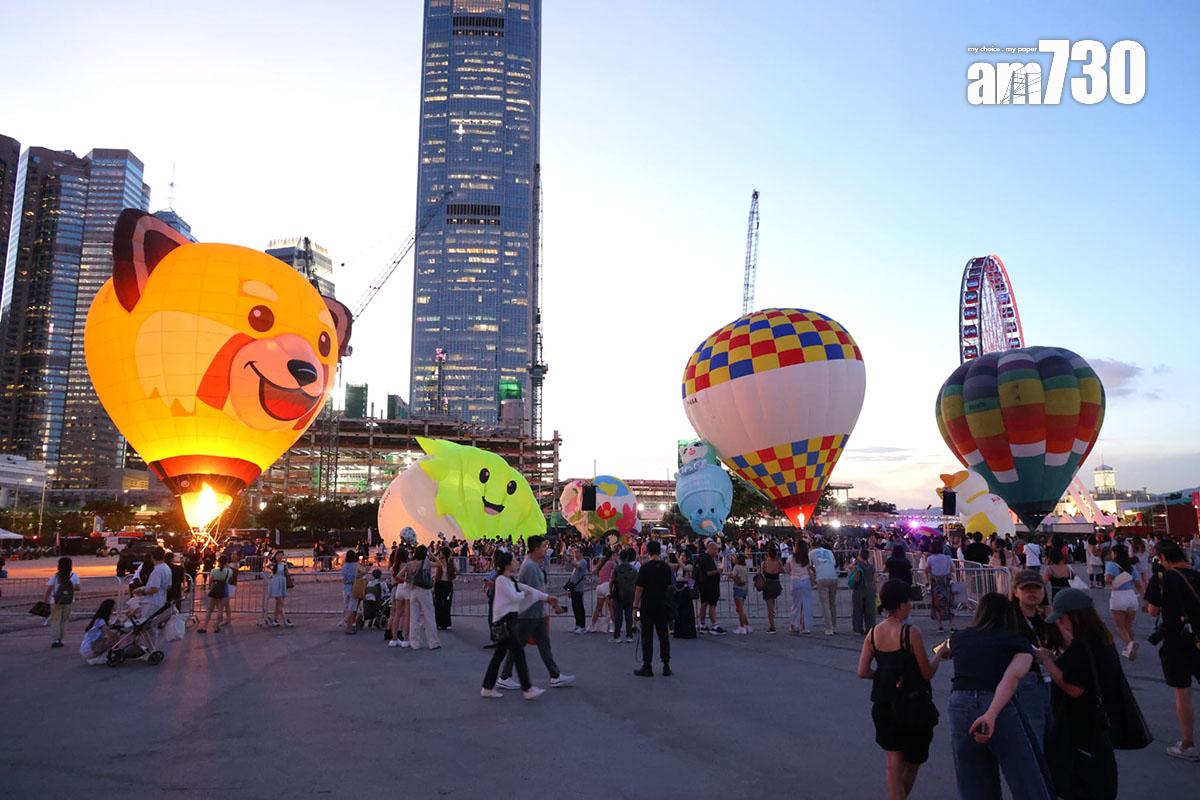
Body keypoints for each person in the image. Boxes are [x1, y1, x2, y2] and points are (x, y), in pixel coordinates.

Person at [944, 593, 1051, 800]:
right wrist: (991, 714)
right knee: (1025, 774)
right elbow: (1011, 677)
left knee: (972, 777)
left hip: (959, 702)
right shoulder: (1016, 641)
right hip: (997, 702)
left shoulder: (959, 637)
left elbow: (942, 651)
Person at [857, 580, 943, 800]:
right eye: (909, 602)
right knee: (913, 761)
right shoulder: (910, 632)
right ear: (902, 604)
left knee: (893, 765)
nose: (911, 606)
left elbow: (863, 671)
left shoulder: (873, 633)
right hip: (912, 706)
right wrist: (939, 655)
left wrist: (884, 675)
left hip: (884, 704)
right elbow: (926, 673)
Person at [1034, 588, 1122, 799]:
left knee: (1081, 781)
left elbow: (1073, 687)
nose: (1061, 624)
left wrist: (1047, 661)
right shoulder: (1099, 638)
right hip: (1097, 722)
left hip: (1083, 724)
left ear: (1074, 616)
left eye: (1062, 618)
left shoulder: (1083, 644)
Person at [1144, 539, 1200, 761]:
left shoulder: (1161, 579)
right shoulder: (1197, 575)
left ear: (1163, 558)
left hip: (1176, 640)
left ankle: (1187, 743)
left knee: (1182, 691)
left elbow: (1152, 610)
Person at [496, 535, 575, 689]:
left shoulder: (533, 564)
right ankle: (504, 676)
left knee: (543, 644)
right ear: (536, 548)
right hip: (529, 614)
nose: (546, 549)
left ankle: (555, 675)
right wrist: (553, 605)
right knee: (519, 645)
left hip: (535, 613)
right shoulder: (530, 567)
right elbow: (534, 592)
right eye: (543, 547)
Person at [481, 550, 562, 700]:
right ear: (507, 565)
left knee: (499, 657)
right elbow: (515, 596)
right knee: (518, 654)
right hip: (504, 623)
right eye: (514, 561)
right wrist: (526, 595)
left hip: (507, 623)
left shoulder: (510, 580)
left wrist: (545, 597)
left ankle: (488, 687)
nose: (517, 563)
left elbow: (529, 590)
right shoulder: (501, 580)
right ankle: (527, 688)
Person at [1009, 569, 1053, 752]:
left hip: (1049, 678)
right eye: (1026, 588)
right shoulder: (1009, 618)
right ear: (1015, 592)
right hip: (1025, 680)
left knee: (1049, 729)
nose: (1032, 592)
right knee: (1034, 733)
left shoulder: (1046, 617)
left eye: (1036, 588)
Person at [634, 540, 674, 677]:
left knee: (647, 636)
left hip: (647, 605)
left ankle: (647, 666)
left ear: (648, 552)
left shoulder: (645, 568)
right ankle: (666, 665)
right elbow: (669, 586)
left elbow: (639, 589)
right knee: (663, 635)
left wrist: (635, 605)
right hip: (662, 605)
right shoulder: (666, 568)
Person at [1105, 544, 1143, 660]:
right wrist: (1145, 599)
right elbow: (1139, 585)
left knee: (1120, 627)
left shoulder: (1111, 565)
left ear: (1115, 553)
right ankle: (1130, 647)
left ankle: (1129, 645)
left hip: (1118, 596)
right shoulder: (1131, 568)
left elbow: (1108, 580)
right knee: (1128, 626)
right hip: (1131, 596)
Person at [407, 545, 440, 650]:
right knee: (429, 616)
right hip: (424, 590)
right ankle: (433, 642)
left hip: (413, 591)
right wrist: (432, 554)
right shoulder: (425, 563)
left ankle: (414, 642)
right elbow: (440, 564)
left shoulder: (410, 563)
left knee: (414, 617)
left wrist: (409, 582)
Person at [43, 557, 80, 648]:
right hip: (68, 601)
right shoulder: (74, 576)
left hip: (55, 601)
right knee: (64, 620)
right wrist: (69, 589)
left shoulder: (55, 576)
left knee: (56, 620)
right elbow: (78, 588)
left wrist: (45, 600)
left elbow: (49, 589)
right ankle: (61, 639)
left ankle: (56, 640)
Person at [925, 540, 955, 633]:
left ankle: (940, 626)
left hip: (936, 582)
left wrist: (929, 579)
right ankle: (952, 626)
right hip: (946, 582)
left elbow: (927, 569)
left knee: (937, 604)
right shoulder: (947, 558)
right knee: (949, 603)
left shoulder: (930, 558)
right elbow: (953, 569)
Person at [696, 540, 725, 635]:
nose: (717, 552)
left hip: (703, 585)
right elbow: (708, 572)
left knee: (704, 604)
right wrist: (718, 571)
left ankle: (702, 624)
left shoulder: (701, 557)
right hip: (710, 585)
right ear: (711, 549)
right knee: (712, 604)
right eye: (716, 550)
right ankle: (714, 625)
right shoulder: (707, 559)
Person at [811, 538, 839, 635]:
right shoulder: (829, 552)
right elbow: (834, 564)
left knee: (825, 604)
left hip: (821, 577)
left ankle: (829, 628)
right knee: (832, 603)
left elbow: (809, 565)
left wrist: (814, 572)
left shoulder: (812, 553)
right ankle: (834, 626)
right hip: (833, 576)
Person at [199, 555, 233, 633]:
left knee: (210, 609)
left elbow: (210, 581)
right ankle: (216, 626)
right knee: (220, 609)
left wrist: (211, 586)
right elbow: (229, 579)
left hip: (215, 590)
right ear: (226, 562)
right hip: (224, 590)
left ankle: (205, 626)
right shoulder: (228, 571)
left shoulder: (214, 571)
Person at [787, 542, 815, 634]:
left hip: (795, 580)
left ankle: (794, 624)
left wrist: (793, 574)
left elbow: (787, 569)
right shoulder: (807, 558)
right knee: (806, 603)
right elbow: (810, 569)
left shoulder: (791, 558)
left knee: (796, 604)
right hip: (805, 580)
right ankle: (805, 626)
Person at [80, 599, 118, 665]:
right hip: (89, 649)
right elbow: (109, 633)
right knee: (113, 638)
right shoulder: (101, 621)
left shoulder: (98, 619)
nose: (113, 609)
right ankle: (96, 656)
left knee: (110, 637)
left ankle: (98, 656)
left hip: (87, 647)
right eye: (113, 608)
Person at [849, 548, 878, 635]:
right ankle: (870, 627)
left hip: (859, 589)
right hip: (869, 589)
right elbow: (874, 581)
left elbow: (854, 575)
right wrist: (875, 591)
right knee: (870, 610)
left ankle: (858, 629)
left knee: (858, 610)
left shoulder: (857, 566)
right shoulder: (871, 567)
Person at [611, 548, 637, 643]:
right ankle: (629, 636)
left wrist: (610, 592)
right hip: (630, 594)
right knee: (629, 616)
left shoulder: (617, 569)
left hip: (618, 594)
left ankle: (617, 636)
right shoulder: (633, 569)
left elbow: (611, 581)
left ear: (620, 557)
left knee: (618, 616)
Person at [387, 545, 410, 647]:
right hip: (405, 587)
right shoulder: (406, 565)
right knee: (406, 615)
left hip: (398, 589)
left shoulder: (394, 565)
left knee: (396, 614)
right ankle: (405, 639)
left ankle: (394, 638)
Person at [590, 547, 616, 632]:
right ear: (612, 555)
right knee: (611, 607)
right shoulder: (612, 563)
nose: (616, 557)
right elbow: (618, 570)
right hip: (607, 586)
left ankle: (592, 625)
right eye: (615, 555)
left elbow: (594, 571)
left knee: (598, 608)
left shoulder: (602, 563)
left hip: (600, 586)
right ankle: (612, 626)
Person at [760, 544, 783, 633]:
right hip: (776, 584)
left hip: (768, 584)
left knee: (769, 608)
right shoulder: (778, 562)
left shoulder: (764, 563)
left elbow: (762, 572)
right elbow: (782, 570)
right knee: (772, 604)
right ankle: (772, 619)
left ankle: (772, 626)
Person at [265, 551, 292, 628]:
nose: (280, 557)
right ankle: (285, 619)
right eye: (278, 555)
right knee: (280, 603)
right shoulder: (273, 565)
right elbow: (268, 566)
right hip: (276, 584)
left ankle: (275, 620)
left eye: (281, 555)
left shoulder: (284, 565)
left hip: (282, 583)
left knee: (278, 604)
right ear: (275, 556)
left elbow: (287, 574)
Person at [341, 549, 365, 635]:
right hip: (353, 587)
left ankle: (347, 624)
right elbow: (363, 571)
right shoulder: (355, 565)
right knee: (352, 609)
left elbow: (343, 578)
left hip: (345, 588)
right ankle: (348, 627)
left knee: (346, 607)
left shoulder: (344, 566)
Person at [433, 546, 456, 630]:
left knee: (446, 604)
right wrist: (433, 587)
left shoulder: (450, 562)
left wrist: (452, 563)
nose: (440, 554)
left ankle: (446, 623)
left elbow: (457, 572)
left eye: (441, 552)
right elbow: (436, 576)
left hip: (447, 584)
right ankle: (438, 622)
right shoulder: (439, 562)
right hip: (439, 584)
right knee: (438, 604)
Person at [567, 547, 589, 634]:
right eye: (574, 552)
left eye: (577, 552)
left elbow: (577, 566)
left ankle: (582, 626)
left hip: (579, 588)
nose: (575, 554)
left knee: (579, 607)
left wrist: (569, 560)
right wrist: (569, 589)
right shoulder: (577, 561)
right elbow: (573, 576)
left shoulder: (583, 561)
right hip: (574, 588)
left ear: (581, 553)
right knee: (575, 607)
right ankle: (577, 624)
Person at [730, 553, 751, 634]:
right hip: (744, 589)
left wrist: (732, 577)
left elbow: (733, 575)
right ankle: (747, 625)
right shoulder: (744, 567)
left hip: (738, 589)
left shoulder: (736, 567)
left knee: (740, 610)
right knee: (740, 609)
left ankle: (742, 627)